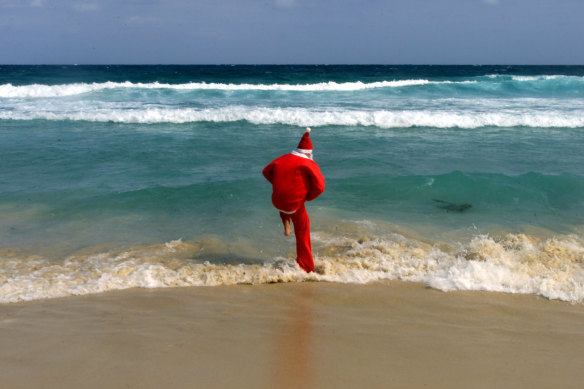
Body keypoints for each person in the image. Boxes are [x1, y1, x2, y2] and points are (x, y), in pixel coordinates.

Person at [262, 128, 325, 273]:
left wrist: (277, 183)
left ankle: (286, 222)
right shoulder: (308, 164)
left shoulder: (281, 158)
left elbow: (265, 171)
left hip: (277, 201)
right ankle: (306, 267)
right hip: (294, 204)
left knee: (284, 200)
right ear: (308, 153)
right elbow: (320, 187)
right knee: (303, 231)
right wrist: (308, 197)